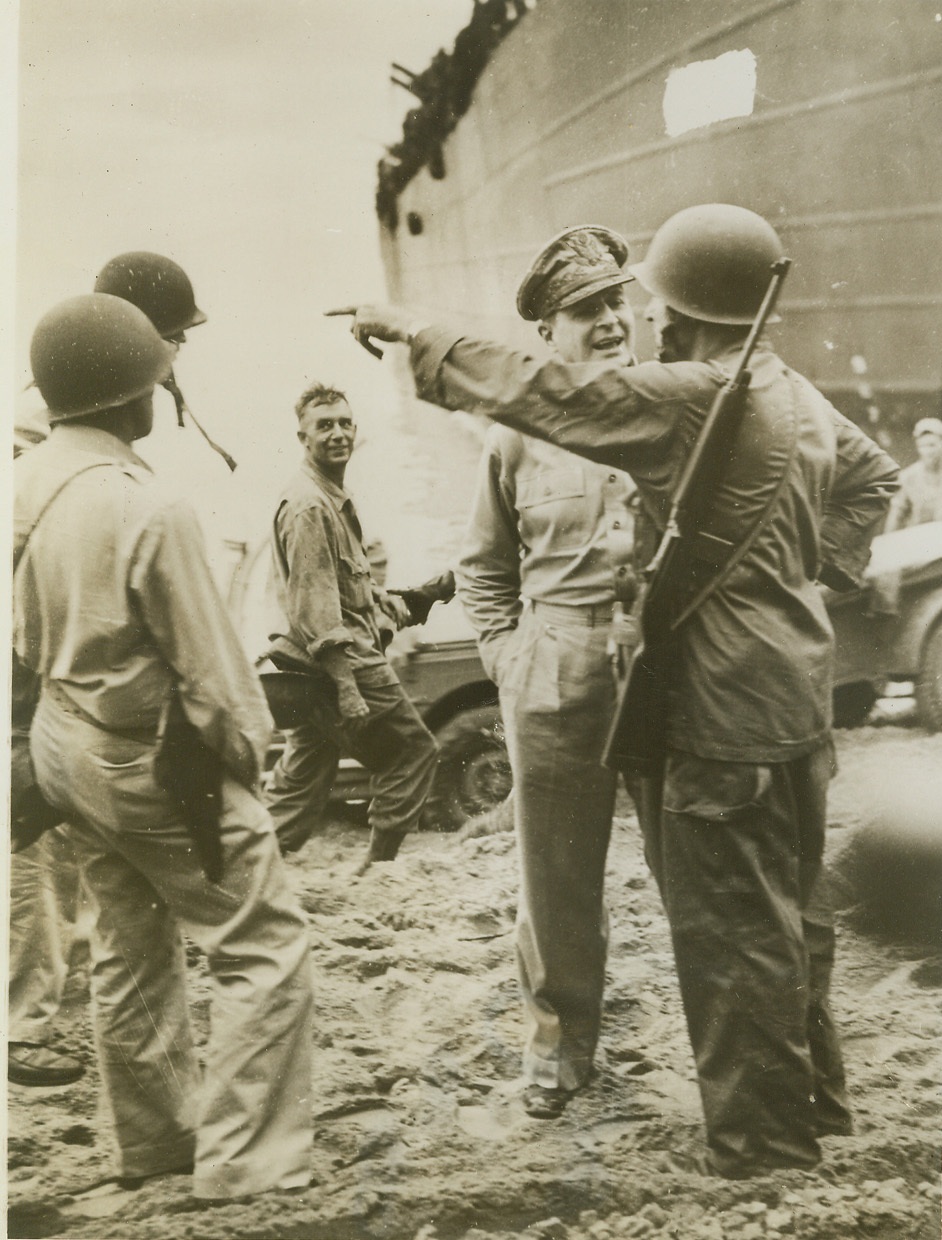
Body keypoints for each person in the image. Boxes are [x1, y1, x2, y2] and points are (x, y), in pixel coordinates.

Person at [329, 202, 900, 1178]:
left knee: (730, 930)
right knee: (790, 914)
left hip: (712, 704)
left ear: (683, 311)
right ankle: (817, 1103)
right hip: (791, 694)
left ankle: (766, 1148)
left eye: (652, 307)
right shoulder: (794, 389)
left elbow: (545, 390)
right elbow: (874, 481)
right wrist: (800, 579)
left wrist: (417, 331)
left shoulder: (686, 397)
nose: (647, 325)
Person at [13, 292, 314, 1200]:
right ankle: (247, 1163)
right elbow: (220, 684)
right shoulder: (151, 506)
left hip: (59, 740)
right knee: (262, 939)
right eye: (157, 373)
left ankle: (155, 1142)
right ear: (128, 396)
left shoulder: (21, 479)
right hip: (145, 757)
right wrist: (248, 780)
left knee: (129, 941)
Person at [8, 252, 209, 1090]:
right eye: (166, 340)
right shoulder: (42, 440)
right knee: (25, 835)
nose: (174, 359)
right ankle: (20, 1021)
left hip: (50, 667)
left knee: (70, 843)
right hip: (32, 668)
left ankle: (56, 984)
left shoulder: (73, 408)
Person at [454, 226, 640, 1118]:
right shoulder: (514, 436)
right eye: (587, 310)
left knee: (707, 867)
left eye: (617, 302)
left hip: (668, 666)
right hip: (556, 672)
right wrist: (506, 657)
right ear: (547, 331)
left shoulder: (672, 402)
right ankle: (561, 1055)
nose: (611, 321)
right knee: (557, 878)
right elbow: (484, 568)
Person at [264, 382, 440, 869]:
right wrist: (347, 687)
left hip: (309, 667)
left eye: (344, 423)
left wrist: (415, 600)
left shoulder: (330, 495)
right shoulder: (310, 506)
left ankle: (240, 875)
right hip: (343, 665)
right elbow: (316, 608)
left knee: (304, 776)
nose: (337, 434)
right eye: (324, 426)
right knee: (413, 752)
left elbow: (353, 593)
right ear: (303, 436)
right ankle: (377, 870)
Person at [884, 416, 942, 531]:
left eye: (932, 445)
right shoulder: (908, 477)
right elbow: (895, 517)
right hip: (917, 541)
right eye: (923, 446)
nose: (928, 451)